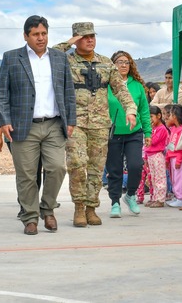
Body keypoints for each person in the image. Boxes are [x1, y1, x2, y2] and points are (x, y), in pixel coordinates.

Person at [0, 15, 75, 235]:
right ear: (26, 36)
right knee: (27, 175)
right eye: (36, 34)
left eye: (44, 33)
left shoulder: (59, 58)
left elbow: (68, 91)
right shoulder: (12, 58)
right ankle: (30, 217)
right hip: (23, 126)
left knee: (58, 168)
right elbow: (1, 92)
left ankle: (47, 209)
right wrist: (4, 121)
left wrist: (72, 121)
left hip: (53, 124)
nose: (41, 38)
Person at [54, 22, 137, 227]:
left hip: (100, 124)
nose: (90, 40)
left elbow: (121, 90)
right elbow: (50, 54)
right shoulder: (65, 61)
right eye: (84, 36)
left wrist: (131, 110)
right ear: (75, 40)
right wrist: (68, 43)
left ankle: (92, 208)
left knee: (96, 168)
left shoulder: (106, 63)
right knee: (76, 164)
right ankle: (79, 207)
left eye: (92, 36)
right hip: (76, 123)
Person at [106, 50, 151, 218]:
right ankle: (115, 203)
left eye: (126, 62)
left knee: (135, 165)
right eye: (119, 62)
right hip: (113, 133)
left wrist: (147, 132)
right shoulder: (107, 85)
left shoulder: (138, 86)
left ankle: (130, 194)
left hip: (134, 132)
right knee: (115, 169)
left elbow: (144, 111)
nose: (123, 65)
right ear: (113, 65)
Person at [144, 106, 169, 208]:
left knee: (160, 177)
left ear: (159, 116)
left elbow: (152, 141)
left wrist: (148, 135)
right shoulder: (152, 129)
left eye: (151, 117)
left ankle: (160, 199)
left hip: (157, 155)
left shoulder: (161, 129)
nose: (150, 120)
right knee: (153, 178)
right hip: (150, 155)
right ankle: (155, 197)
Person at [164, 104, 182, 207]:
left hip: (178, 158)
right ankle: (176, 196)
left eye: (171, 114)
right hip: (172, 157)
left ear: (175, 116)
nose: (168, 117)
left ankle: (181, 197)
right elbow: (170, 145)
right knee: (174, 178)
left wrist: (179, 160)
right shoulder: (173, 129)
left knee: (179, 178)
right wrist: (168, 158)